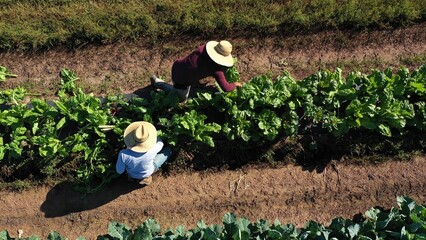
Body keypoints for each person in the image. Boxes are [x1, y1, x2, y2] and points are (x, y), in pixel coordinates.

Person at [151, 40, 243, 102]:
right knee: (182, 98)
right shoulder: (216, 70)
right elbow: (226, 88)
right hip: (180, 79)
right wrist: (235, 84)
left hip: (178, 65)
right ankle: (157, 82)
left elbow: (198, 65)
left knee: (191, 74)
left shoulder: (202, 48)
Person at [116, 121, 172, 185]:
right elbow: (160, 143)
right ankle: (146, 178)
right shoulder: (152, 150)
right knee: (168, 151)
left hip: (131, 173)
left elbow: (119, 171)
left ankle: (132, 178)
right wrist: (155, 137)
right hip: (147, 172)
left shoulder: (123, 154)